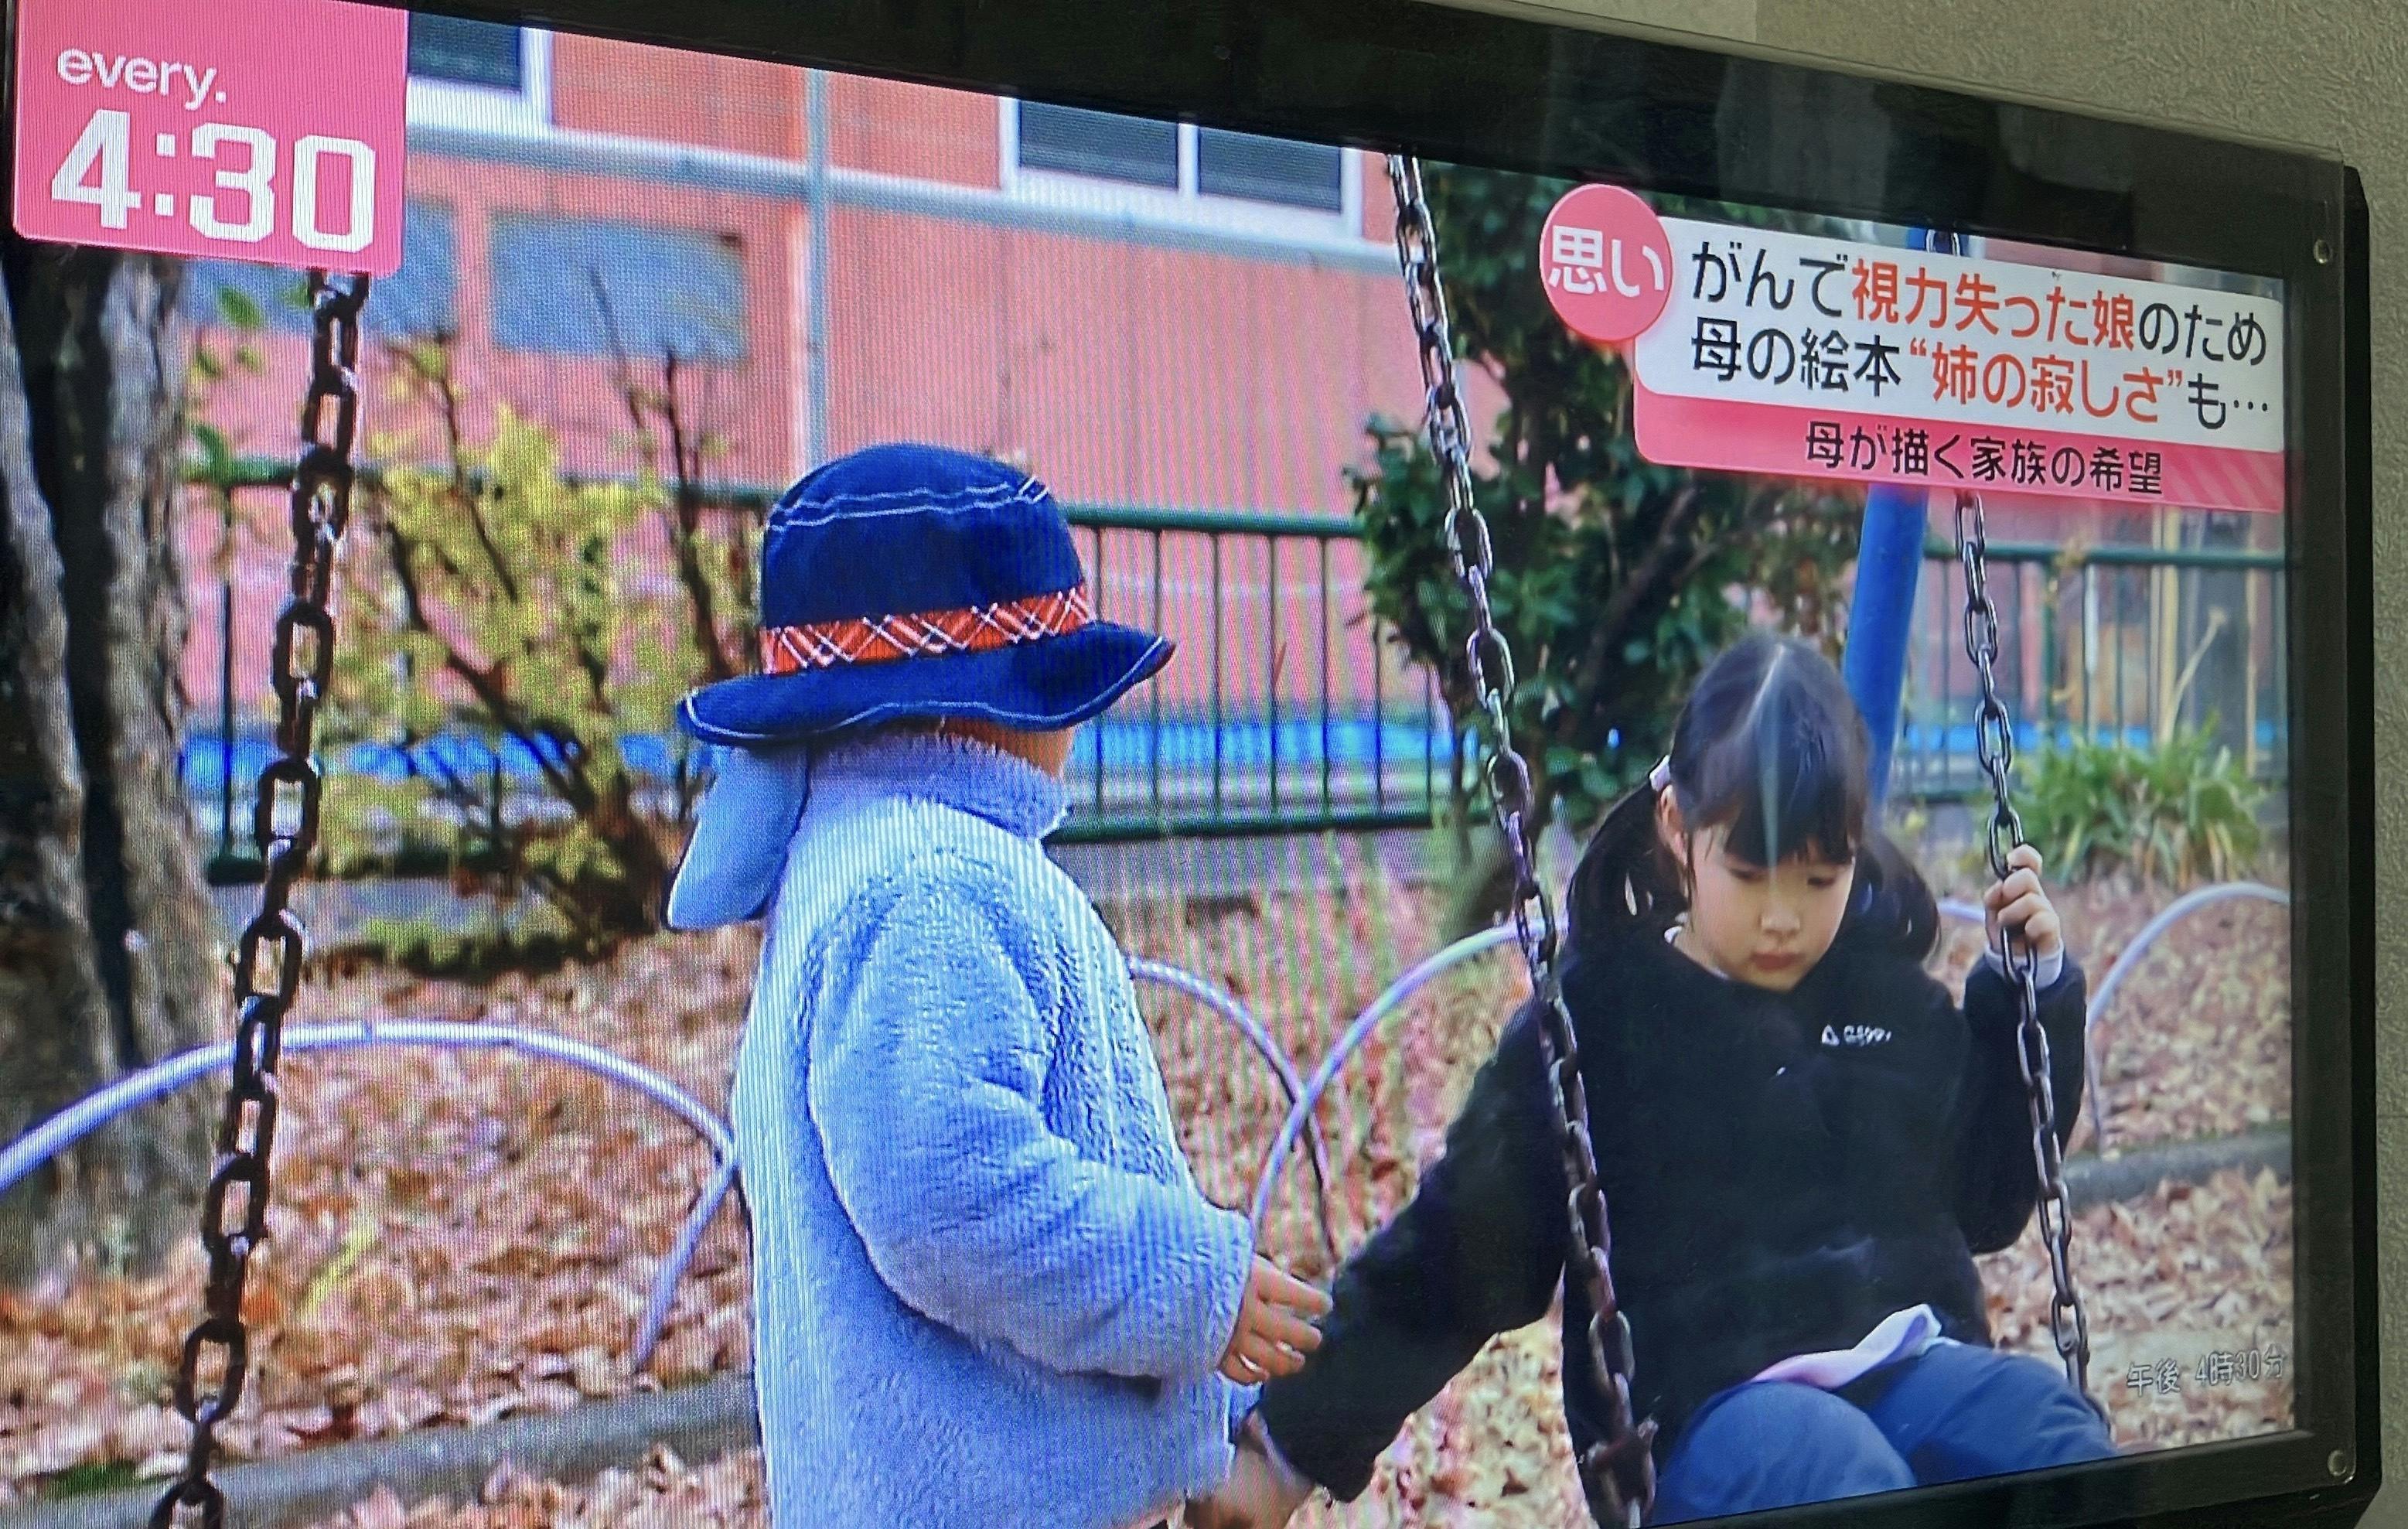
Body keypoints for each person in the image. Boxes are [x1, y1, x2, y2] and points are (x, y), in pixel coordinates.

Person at [1200, 632, 2114, 1527]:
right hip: (1710, 1417)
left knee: (2045, 1431)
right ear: (1679, 828)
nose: (1784, 918)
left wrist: (2028, 996)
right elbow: (1453, 1253)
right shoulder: (1603, 1023)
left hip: (1909, 1365)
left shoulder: (1886, 999)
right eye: (1751, 875)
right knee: (1846, 1474)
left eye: (1818, 879)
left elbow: (1991, 1197)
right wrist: (1288, 1450)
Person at [662, 442, 1328, 1529]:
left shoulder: (861, 855)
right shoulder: (930, 885)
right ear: (978, 709)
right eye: (1058, 690)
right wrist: (1186, 1287)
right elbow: (954, 1199)